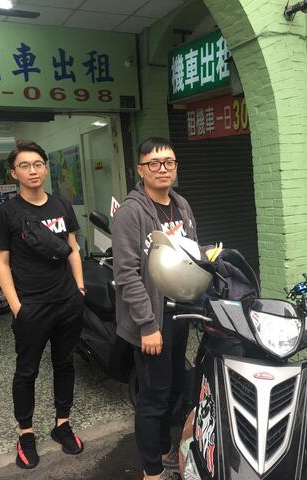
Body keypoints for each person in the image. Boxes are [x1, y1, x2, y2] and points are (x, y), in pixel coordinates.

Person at [0, 140, 86, 469]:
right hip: (31, 305)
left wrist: (80, 289)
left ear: (46, 168)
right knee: (27, 371)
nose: (33, 170)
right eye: (25, 165)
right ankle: (26, 433)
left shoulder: (61, 204)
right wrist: (17, 306)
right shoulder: (6, 213)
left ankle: (62, 424)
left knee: (65, 364)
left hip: (67, 301)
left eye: (38, 164)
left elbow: (72, 248)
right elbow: (1, 263)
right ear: (14, 173)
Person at [112, 137, 198, 480]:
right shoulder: (131, 213)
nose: (163, 169)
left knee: (174, 388)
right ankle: (152, 472)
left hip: (179, 312)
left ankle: (163, 451)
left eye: (169, 162)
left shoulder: (181, 205)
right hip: (151, 318)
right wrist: (148, 325)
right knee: (153, 397)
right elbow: (126, 275)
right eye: (154, 163)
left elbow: (192, 255)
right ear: (140, 169)